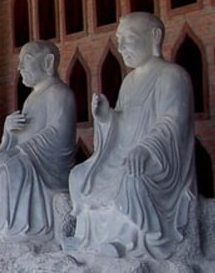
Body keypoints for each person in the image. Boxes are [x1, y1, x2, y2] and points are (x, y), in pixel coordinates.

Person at [66, 13, 196, 260]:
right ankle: (90, 239)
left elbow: (172, 123)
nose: (121, 46)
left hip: (159, 159)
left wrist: (146, 149)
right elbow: (125, 125)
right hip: (126, 153)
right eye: (118, 40)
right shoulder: (129, 82)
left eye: (129, 38)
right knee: (79, 175)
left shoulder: (173, 75)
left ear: (154, 37)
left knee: (132, 176)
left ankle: (130, 243)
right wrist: (107, 118)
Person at [0, 40, 76, 241]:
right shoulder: (31, 98)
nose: (19, 67)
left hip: (45, 164)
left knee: (6, 169)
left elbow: (59, 133)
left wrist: (22, 150)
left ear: (48, 63)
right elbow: (25, 132)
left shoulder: (60, 93)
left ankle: (16, 227)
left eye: (26, 60)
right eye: (19, 61)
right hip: (27, 156)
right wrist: (9, 131)